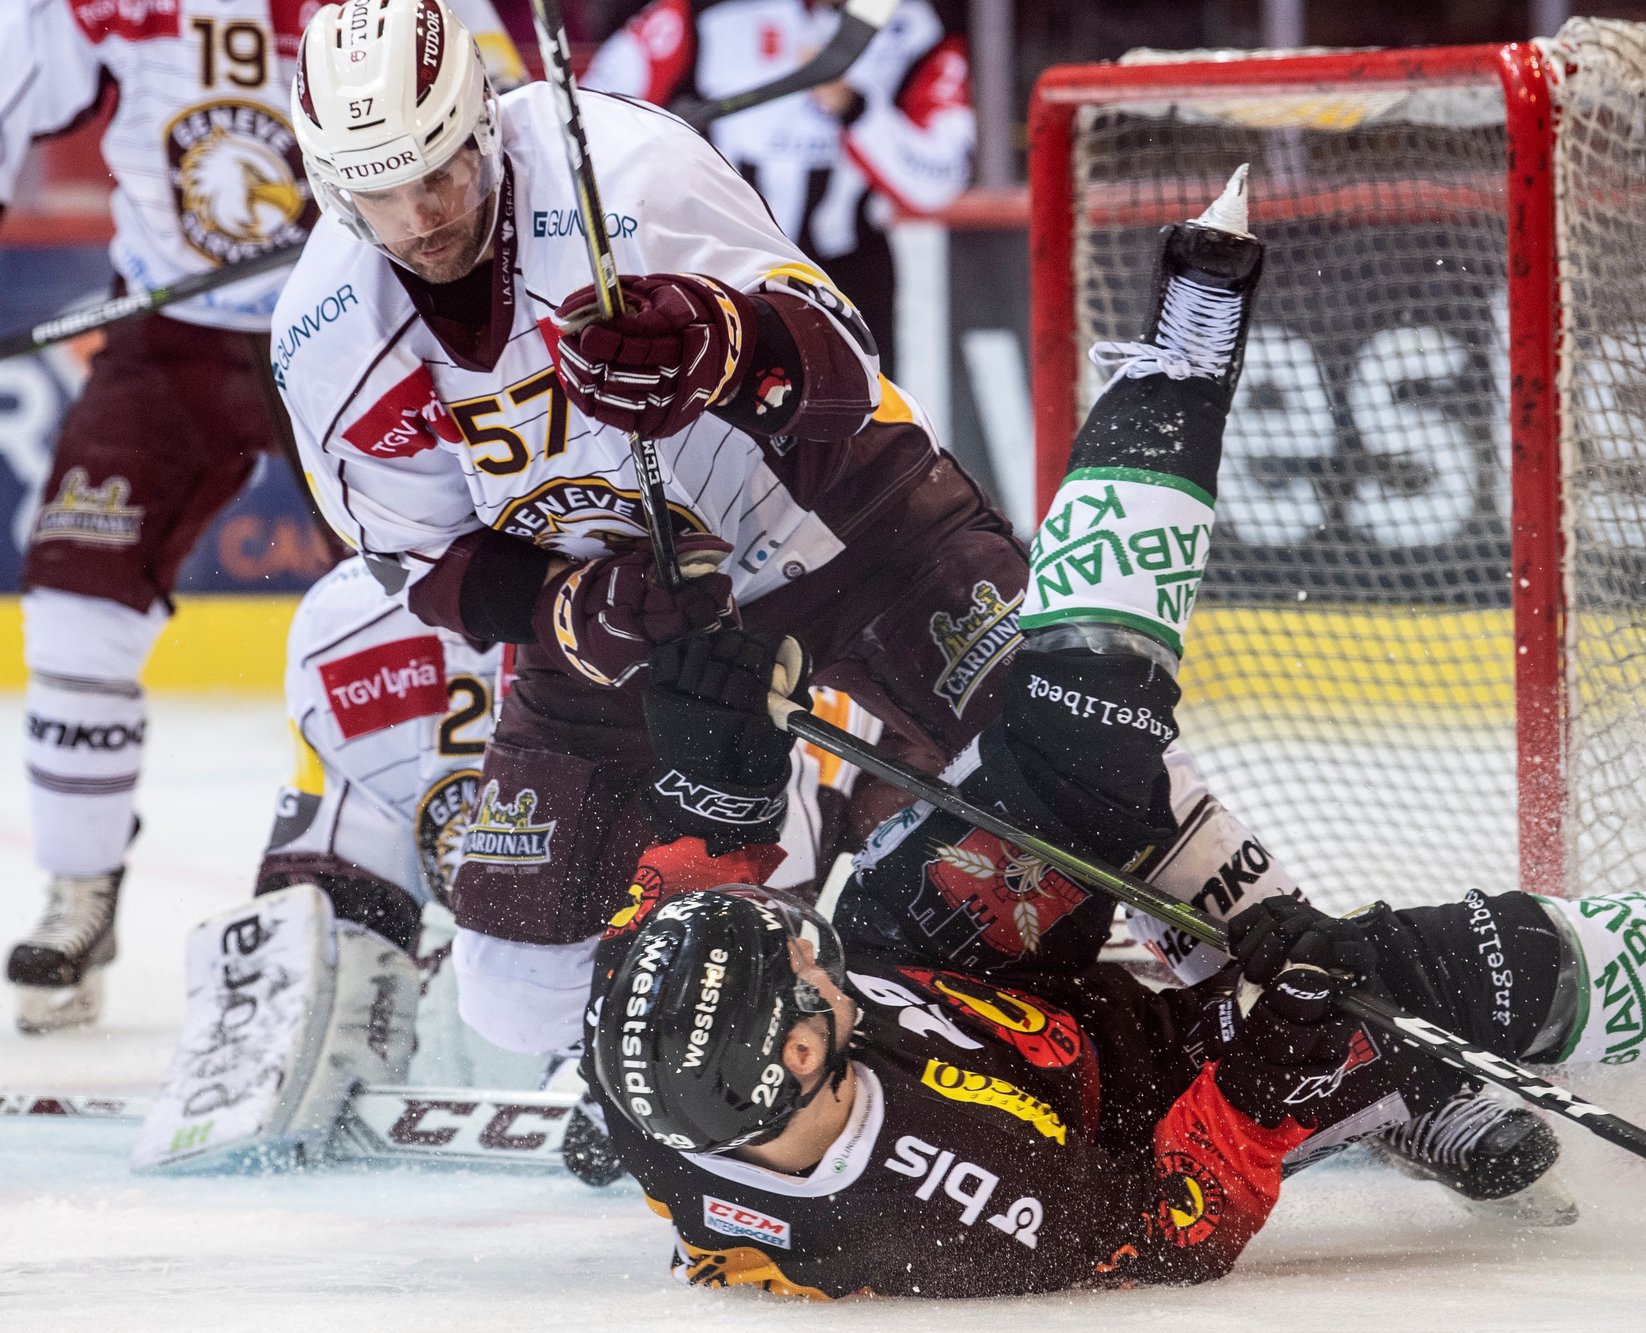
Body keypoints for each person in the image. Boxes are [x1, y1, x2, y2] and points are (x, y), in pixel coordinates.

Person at [572, 188, 1646, 1298]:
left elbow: (691, 892)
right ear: (802, 1073)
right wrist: (1279, 1057)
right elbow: (1174, 1231)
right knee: (1445, 971)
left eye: (790, 943)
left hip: (957, 969)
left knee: (1079, 734)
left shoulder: (669, 1047)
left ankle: (1182, 351)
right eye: (810, 977)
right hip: (1148, 1102)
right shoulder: (948, 1218)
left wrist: (715, 764)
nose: (811, 948)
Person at [271, 0, 1313, 1081]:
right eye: (377, 195)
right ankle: (790, 842)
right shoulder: (323, 335)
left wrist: (720, 345)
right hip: (630, 623)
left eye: (438, 174)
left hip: (845, 523)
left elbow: (843, 364)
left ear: (483, 124)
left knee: (1083, 746)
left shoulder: (623, 169)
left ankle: (1316, 1010)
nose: (419, 218)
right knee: (514, 993)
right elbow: (420, 562)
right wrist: (576, 611)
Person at [0, 0, 523, 1035]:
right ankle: (78, 890)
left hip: (358, 315)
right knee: (71, 600)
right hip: (171, 329)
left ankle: (486, 886)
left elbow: (503, 112)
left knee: (445, 598)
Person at [129, 553, 882, 1171]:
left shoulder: (697, 580)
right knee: (478, 986)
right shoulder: (351, 619)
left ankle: (651, 1040)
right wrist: (307, 994)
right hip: (510, 982)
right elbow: (340, 855)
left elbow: (778, 835)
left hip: (733, 938)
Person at [581, 0, 974, 378]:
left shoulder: (920, 25)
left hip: (849, 274)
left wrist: (855, 109)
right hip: (719, 269)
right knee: (716, 437)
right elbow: (590, 119)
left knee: (863, 433)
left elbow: (939, 179)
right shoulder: (699, 11)